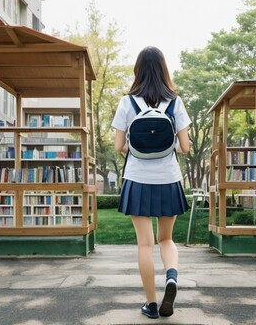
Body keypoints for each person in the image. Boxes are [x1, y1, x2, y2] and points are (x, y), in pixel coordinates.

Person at [112, 46, 191, 319]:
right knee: (166, 239)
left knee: (145, 245)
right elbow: (186, 147)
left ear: (138, 70)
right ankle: (171, 277)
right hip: (169, 179)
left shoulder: (128, 102)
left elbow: (119, 145)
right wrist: (166, 148)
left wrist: (138, 148)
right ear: (164, 70)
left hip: (137, 179)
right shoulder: (175, 102)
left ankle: (152, 304)